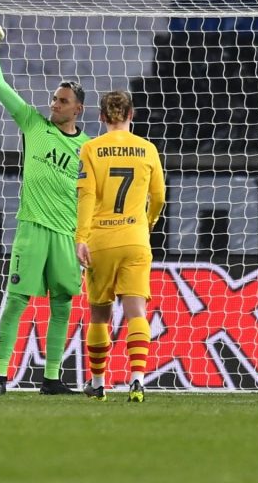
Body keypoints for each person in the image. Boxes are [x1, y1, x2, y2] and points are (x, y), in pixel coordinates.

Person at [0, 22, 89, 396]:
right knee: (16, 303)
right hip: (32, 228)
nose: (54, 104)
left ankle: (53, 378)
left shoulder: (88, 148)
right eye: (54, 99)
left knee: (63, 305)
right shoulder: (33, 124)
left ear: (78, 108)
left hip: (67, 234)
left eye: (62, 101)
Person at [75, 90, 166, 403]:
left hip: (101, 239)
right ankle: (138, 380)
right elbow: (160, 197)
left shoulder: (90, 148)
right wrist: (148, 223)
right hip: (135, 239)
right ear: (132, 115)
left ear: (101, 117)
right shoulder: (148, 148)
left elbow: (86, 196)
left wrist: (81, 238)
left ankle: (99, 383)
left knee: (99, 316)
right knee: (137, 311)